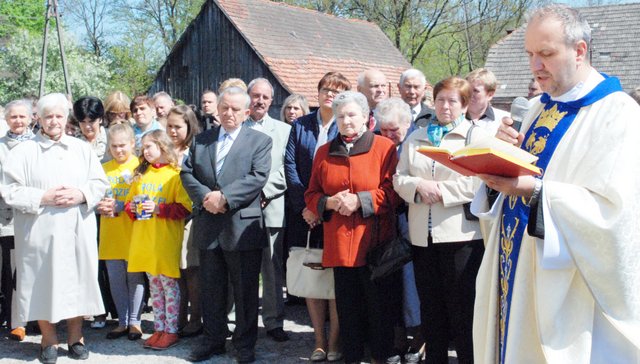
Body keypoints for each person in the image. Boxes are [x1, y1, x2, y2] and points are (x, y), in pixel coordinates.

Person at [472, 5, 640, 363]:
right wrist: (494, 167)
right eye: (530, 54)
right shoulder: (534, 109)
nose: (535, 66)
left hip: (571, 300)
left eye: (546, 54)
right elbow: (508, 195)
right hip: (514, 275)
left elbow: (616, 218)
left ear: (579, 51)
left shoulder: (618, 114)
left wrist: (533, 191)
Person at [2, 93, 109, 364]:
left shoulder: (81, 148)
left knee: (77, 280)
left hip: (76, 226)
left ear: (66, 118)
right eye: (48, 116)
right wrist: (42, 197)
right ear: (38, 118)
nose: (54, 121)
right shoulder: (23, 152)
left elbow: (99, 183)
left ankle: (76, 337)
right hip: (39, 229)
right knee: (41, 280)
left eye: (59, 116)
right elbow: (10, 190)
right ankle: (49, 339)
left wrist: (81, 193)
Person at [393, 77, 484, 364]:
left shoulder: (474, 137)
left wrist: (440, 191)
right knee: (431, 309)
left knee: (462, 309)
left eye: (453, 101)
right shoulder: (416, 136)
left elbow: (479, 182)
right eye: (441, 99)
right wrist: (418, 188)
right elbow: (399, 177)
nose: (446, 106)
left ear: (465, 105)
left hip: (461, 236)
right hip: (423, 235)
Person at [304, 91, 400, 364]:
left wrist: (361, 200)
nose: (346, 121)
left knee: (378, 308)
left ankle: (381, 356)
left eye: (352, 115)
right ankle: (352, 357)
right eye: (341, 116)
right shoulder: (324, 152)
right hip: (338, 245)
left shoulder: (383, 148)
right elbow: (311, 194)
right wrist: (329, 202)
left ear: (365, 117)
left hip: (373, 243)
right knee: (347, 309)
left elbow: (393, 191)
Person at [181, 87, 272, 363]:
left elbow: (258, 177)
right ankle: (213, 339)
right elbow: (186, 173)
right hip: (208, 224)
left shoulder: (259, 141)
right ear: (218, 110)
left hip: (241, 227)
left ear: (246, 113)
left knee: (244, 291)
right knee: (212, 288)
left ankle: (244, 345)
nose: (228, 113)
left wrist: (226, 197)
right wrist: (206, 197)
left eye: (235, 109)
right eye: (224, 108)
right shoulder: (202, 140)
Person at [284, 71, 350, 362]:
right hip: (305, 213)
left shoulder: (347, 126)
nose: (329, 95)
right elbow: (290, 165)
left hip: (336, 213)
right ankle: (319, 340)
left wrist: (323, 206)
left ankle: (335, 340)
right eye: (325, 89)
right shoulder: (301, 125)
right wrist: (307, 206)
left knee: (335, 280)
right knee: (312, 274)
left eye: (336, 91)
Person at [125, 130, 192, 350]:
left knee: (169, 286)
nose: (144, 152)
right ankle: (159, 328)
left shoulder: (175, 175)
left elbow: (185, 208)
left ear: (162, 147)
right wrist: (133, 208)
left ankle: (171, 330)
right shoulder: (141, 174)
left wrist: (158, 208)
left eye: (148, 147)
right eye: (143, 148)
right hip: (144, 239)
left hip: (165, 239)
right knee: (154, 287)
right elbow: (128, 205)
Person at [375, 97, 423, 364]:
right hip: (385, 223)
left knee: (411, 286)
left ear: (408, 124)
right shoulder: (379, 146)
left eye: (394, 130)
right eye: (384, 130)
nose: (389, 135)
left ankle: (418, 341)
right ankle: (394, 340)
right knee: (389, 281)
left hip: (411, 221)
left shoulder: (417, 144)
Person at [245, 77, 292, 342]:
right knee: (241, 268)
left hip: (271, 206)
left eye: (264, 97)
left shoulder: (284, 131)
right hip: (240, 210)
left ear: (271, 101)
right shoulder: (237, 128)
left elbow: (287, 169)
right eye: (255, 95)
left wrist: (263, 192)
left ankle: (274, 321)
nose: (259, 100)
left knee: (272, 268)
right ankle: (243, 320)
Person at [96, 123, 145, 341]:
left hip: (134, 231)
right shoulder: (103, 169)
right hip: (111, 232)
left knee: (134, 277)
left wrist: (121, 205)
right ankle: (122, 322)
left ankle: (135, 321)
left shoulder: (141, 166)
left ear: (133, 144)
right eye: (114, 146)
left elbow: (144, 198)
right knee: (115, 279)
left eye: (123, 145)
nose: (119, 150)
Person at [165, 105, 204, 338]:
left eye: (177, 127)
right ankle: (177, 316)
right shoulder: (164, 150)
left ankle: (196, 317)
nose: (172, 131)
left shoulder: (196, 150)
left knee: (190, 269)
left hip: (191, 216)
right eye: (169, 126)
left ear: (189, 127)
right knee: (173, 271)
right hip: (167, 219)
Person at [0, 100, 35, 342]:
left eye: (23, 116)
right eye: (13, 117)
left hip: (33, 214)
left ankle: (32, 317)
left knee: (30, 269)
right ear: (6, 119)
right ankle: (16, 321)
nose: (18, 121)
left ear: (31, 118)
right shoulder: (1, 145)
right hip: (6, 218)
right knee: (9, 271)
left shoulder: (38, 144)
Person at [465, 68, 509, 135]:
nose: (470, 94)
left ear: (490, 95)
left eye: (475, 91)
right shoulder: (454, 119)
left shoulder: (504, 121)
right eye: (468, 89)